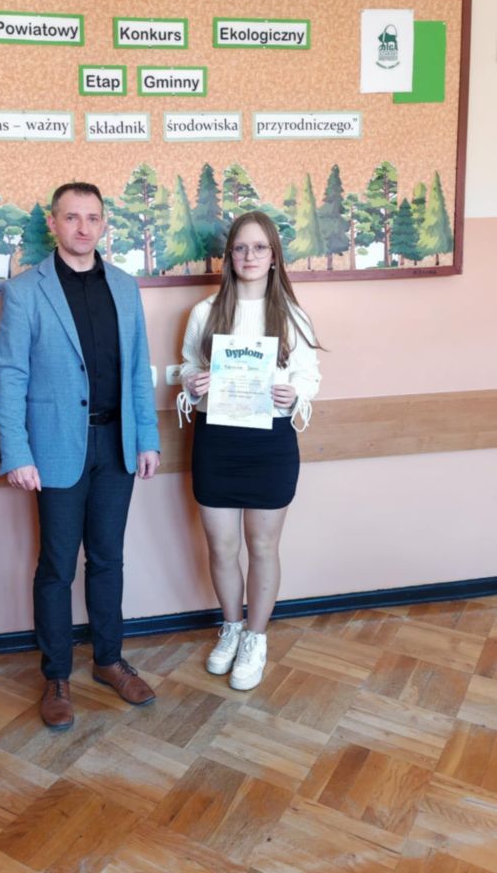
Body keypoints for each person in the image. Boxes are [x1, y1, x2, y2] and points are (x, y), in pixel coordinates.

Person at [0, 181, 160, 731]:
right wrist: (16, 451)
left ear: (104, 224)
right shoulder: (26, 291)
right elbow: (9, 375)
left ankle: (109, 660)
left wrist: (147, 438)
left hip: (116, 446)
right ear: (53, 223)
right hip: (55, 448)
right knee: (57, 567)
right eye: (72, 217)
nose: (83, 227)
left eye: (92, 217)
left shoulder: (125, 287)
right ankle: (57, 676)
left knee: (108, 559)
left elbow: (138, 370)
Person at [179, 211, 321, 691]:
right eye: (240, 248)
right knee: (221, 547)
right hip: (216, 441)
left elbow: (309, 376)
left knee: (262, 547)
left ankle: (256, 637)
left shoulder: (292, 315)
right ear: (229, 256)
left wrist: (295, 394)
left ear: (274, 256)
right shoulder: (205, 312)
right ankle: (232, 627)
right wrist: (193, 382)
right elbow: (187, 367)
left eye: (260, 247)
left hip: (270, 444)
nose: (249, 256)